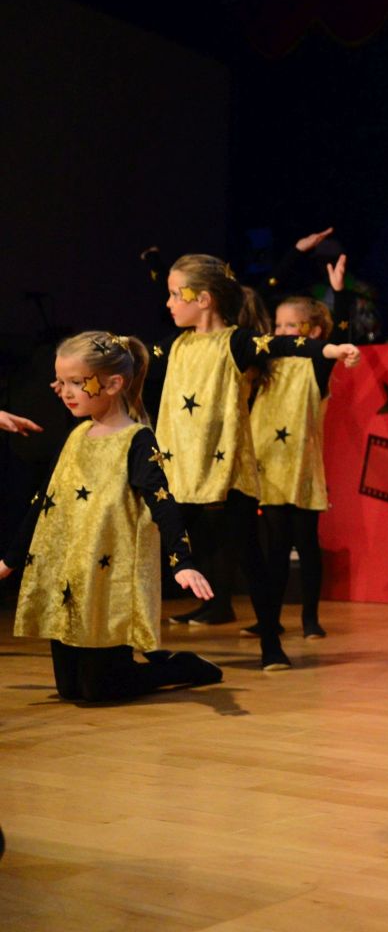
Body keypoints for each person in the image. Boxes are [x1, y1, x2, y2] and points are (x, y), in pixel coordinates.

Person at [144, 254, 359, 670]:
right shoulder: (174, 345)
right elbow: (134, 355)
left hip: (229, 471)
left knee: (252, 555)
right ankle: (145, 643)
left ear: (203, 299)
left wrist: (332, 346)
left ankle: (272, 642)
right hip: (181, 469)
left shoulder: (238, 342)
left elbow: (284, 344)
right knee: (159, 551)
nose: (168, 303)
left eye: (175, 294)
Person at [2, 331, 223, 702]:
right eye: (61, 382)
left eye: (76, 382)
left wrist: (182, 561)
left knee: (100, 692)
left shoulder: (136, 440)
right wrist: (10, 560)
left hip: (108, 584)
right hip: (70, 580)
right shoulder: (76, 436)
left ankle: (182, 667)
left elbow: (162, 502)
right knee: (71, 690)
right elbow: (44, 501)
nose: (65, 392)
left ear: (114, 384)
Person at [245, 259, 360, 641]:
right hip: (269, 467)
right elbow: (255, 302)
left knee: (307, 545)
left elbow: (339, 333)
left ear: (312, 332)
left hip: (302, 469)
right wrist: (293, 255)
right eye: (278, 326)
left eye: (290, 326)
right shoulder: (266, 365)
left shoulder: (315, 365)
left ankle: (310, 618)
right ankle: (270, 618)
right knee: (275, 549)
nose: (281, 332)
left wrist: (339, 294)